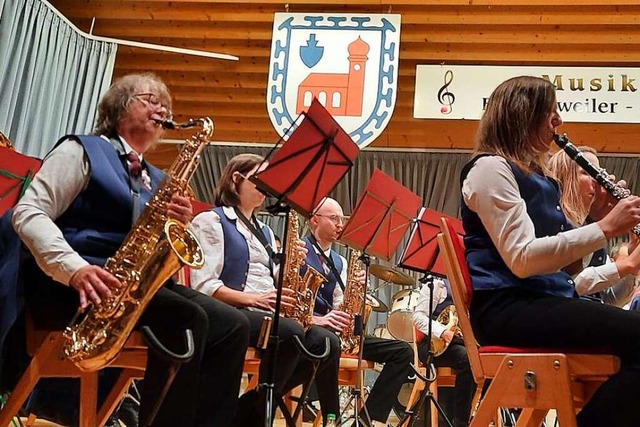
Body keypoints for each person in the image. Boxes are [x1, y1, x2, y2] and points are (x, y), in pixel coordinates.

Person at [12, 73, 250, 427]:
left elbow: (153, 250)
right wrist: (73, 268)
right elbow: (29, 212)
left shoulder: (158, 179)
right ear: (120, 107)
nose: (162, 109)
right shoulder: (81, 149)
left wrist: (177, 226)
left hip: (130, 285)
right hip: (75, 284)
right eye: (151, 100)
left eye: (165, 105)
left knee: (233, 325)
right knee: (187, 319)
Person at [461, 75, 640, 426]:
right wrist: (604, 228)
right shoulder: (490, 169)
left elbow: (566, 272)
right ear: (522, 115)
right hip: (507, 309)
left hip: (538, 302)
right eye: (550, 112)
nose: (558, 121)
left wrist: (599, 218)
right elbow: (524, 259)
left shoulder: (537, 176)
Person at [189, 153, 341, 426]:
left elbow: (274, 280)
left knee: (325, 341)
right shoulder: (211, 221)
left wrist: (292, 265)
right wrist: (256, 299)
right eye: (259, 180)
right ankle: (255, 411)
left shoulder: (266, 232)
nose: (266, 188)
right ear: (236, 180)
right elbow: (204, 285)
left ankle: (251, 405)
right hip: (231, 310)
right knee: (291, 331)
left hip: (265, 312)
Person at [304, 197, 413, 427]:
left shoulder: (340, 261)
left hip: (337, 333)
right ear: (315, 220)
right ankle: (330, 418)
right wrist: (321, 319)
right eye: (334, 219)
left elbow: (341, 303)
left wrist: (356, 290)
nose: (340, 225)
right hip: (309, 328)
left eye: (341, 220)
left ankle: (366, 420)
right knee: (329, 340)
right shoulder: (298, 250)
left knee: (402, 352)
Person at [548, 146, 640, 306]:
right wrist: (626, 264)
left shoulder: (591, 227)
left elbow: (611, 299)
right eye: (587, 172)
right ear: (565, 178)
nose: (599, 182)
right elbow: (564, 285)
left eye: (600, 174)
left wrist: (633, 264)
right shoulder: (551, 221)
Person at [412, 277, 474, 427]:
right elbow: (418, 317)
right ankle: (461, 422)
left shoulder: (471, 286)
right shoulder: (435, 285)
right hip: (431, 345)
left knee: (489, 360)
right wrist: (442, 331)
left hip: (458, 344)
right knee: (468, 359)